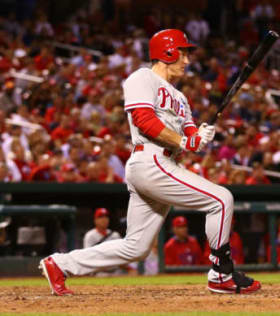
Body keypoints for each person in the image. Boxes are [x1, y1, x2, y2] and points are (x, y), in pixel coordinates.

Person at [39, 29, 260, 295]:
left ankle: (60, 264)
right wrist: (183, 141)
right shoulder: (142, 78)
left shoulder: (181, 99)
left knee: (136, 247)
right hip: (150, 160)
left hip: (163, 163)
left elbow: (189, 138)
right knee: (221, 199)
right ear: (167, 51)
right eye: (183, 53)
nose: (187, 60)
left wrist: (200, 137)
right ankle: (221, 273)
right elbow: (144, 120)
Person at [83, 208, 122, 276]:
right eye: (100, 217)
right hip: (98, 273)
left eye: (106, 216)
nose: (104, 219)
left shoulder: (115, 235)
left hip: (115, 272)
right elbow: (87, 257)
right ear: (95, 220)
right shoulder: (90, 235)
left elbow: (121, 255)